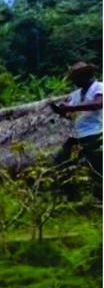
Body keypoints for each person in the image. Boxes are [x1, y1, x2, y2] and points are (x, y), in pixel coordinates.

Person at [51, 61, 102, 194]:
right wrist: (61, 111)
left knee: (97, 169)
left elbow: (98, 104)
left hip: (96, 132)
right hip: (78, 135)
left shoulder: (99, 87)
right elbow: (72, 115)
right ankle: (70, 194)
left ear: (86, 75)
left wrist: (71, 107)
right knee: (61, 162)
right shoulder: (75, 94)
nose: (74, 82)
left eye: (76, 78)